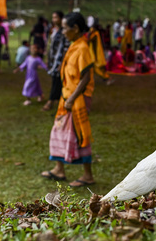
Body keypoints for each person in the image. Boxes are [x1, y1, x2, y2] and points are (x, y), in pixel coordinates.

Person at [41, 12, 95, 187]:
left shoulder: (83, 48)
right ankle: (59, 169)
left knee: (79, 135)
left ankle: (88, 175)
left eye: (64, 28)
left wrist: (72, 98)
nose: (62, 31)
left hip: (75, 99)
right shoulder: (74, 45)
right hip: (67, 98)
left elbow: (86, 77)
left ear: (76, 28)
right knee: (59, 131)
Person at [42, 11, 70, 111]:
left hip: (59, 60)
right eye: (53, 18)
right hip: (53, 59)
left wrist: (62, 62)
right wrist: (48, 58)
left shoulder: (64, 31)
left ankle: (50, 101)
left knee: (56, 80)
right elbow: (51, 45)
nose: (54, 20)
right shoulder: (54, 30)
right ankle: (59, 99)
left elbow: (66, 47)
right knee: (57, 80)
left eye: (56, 17)